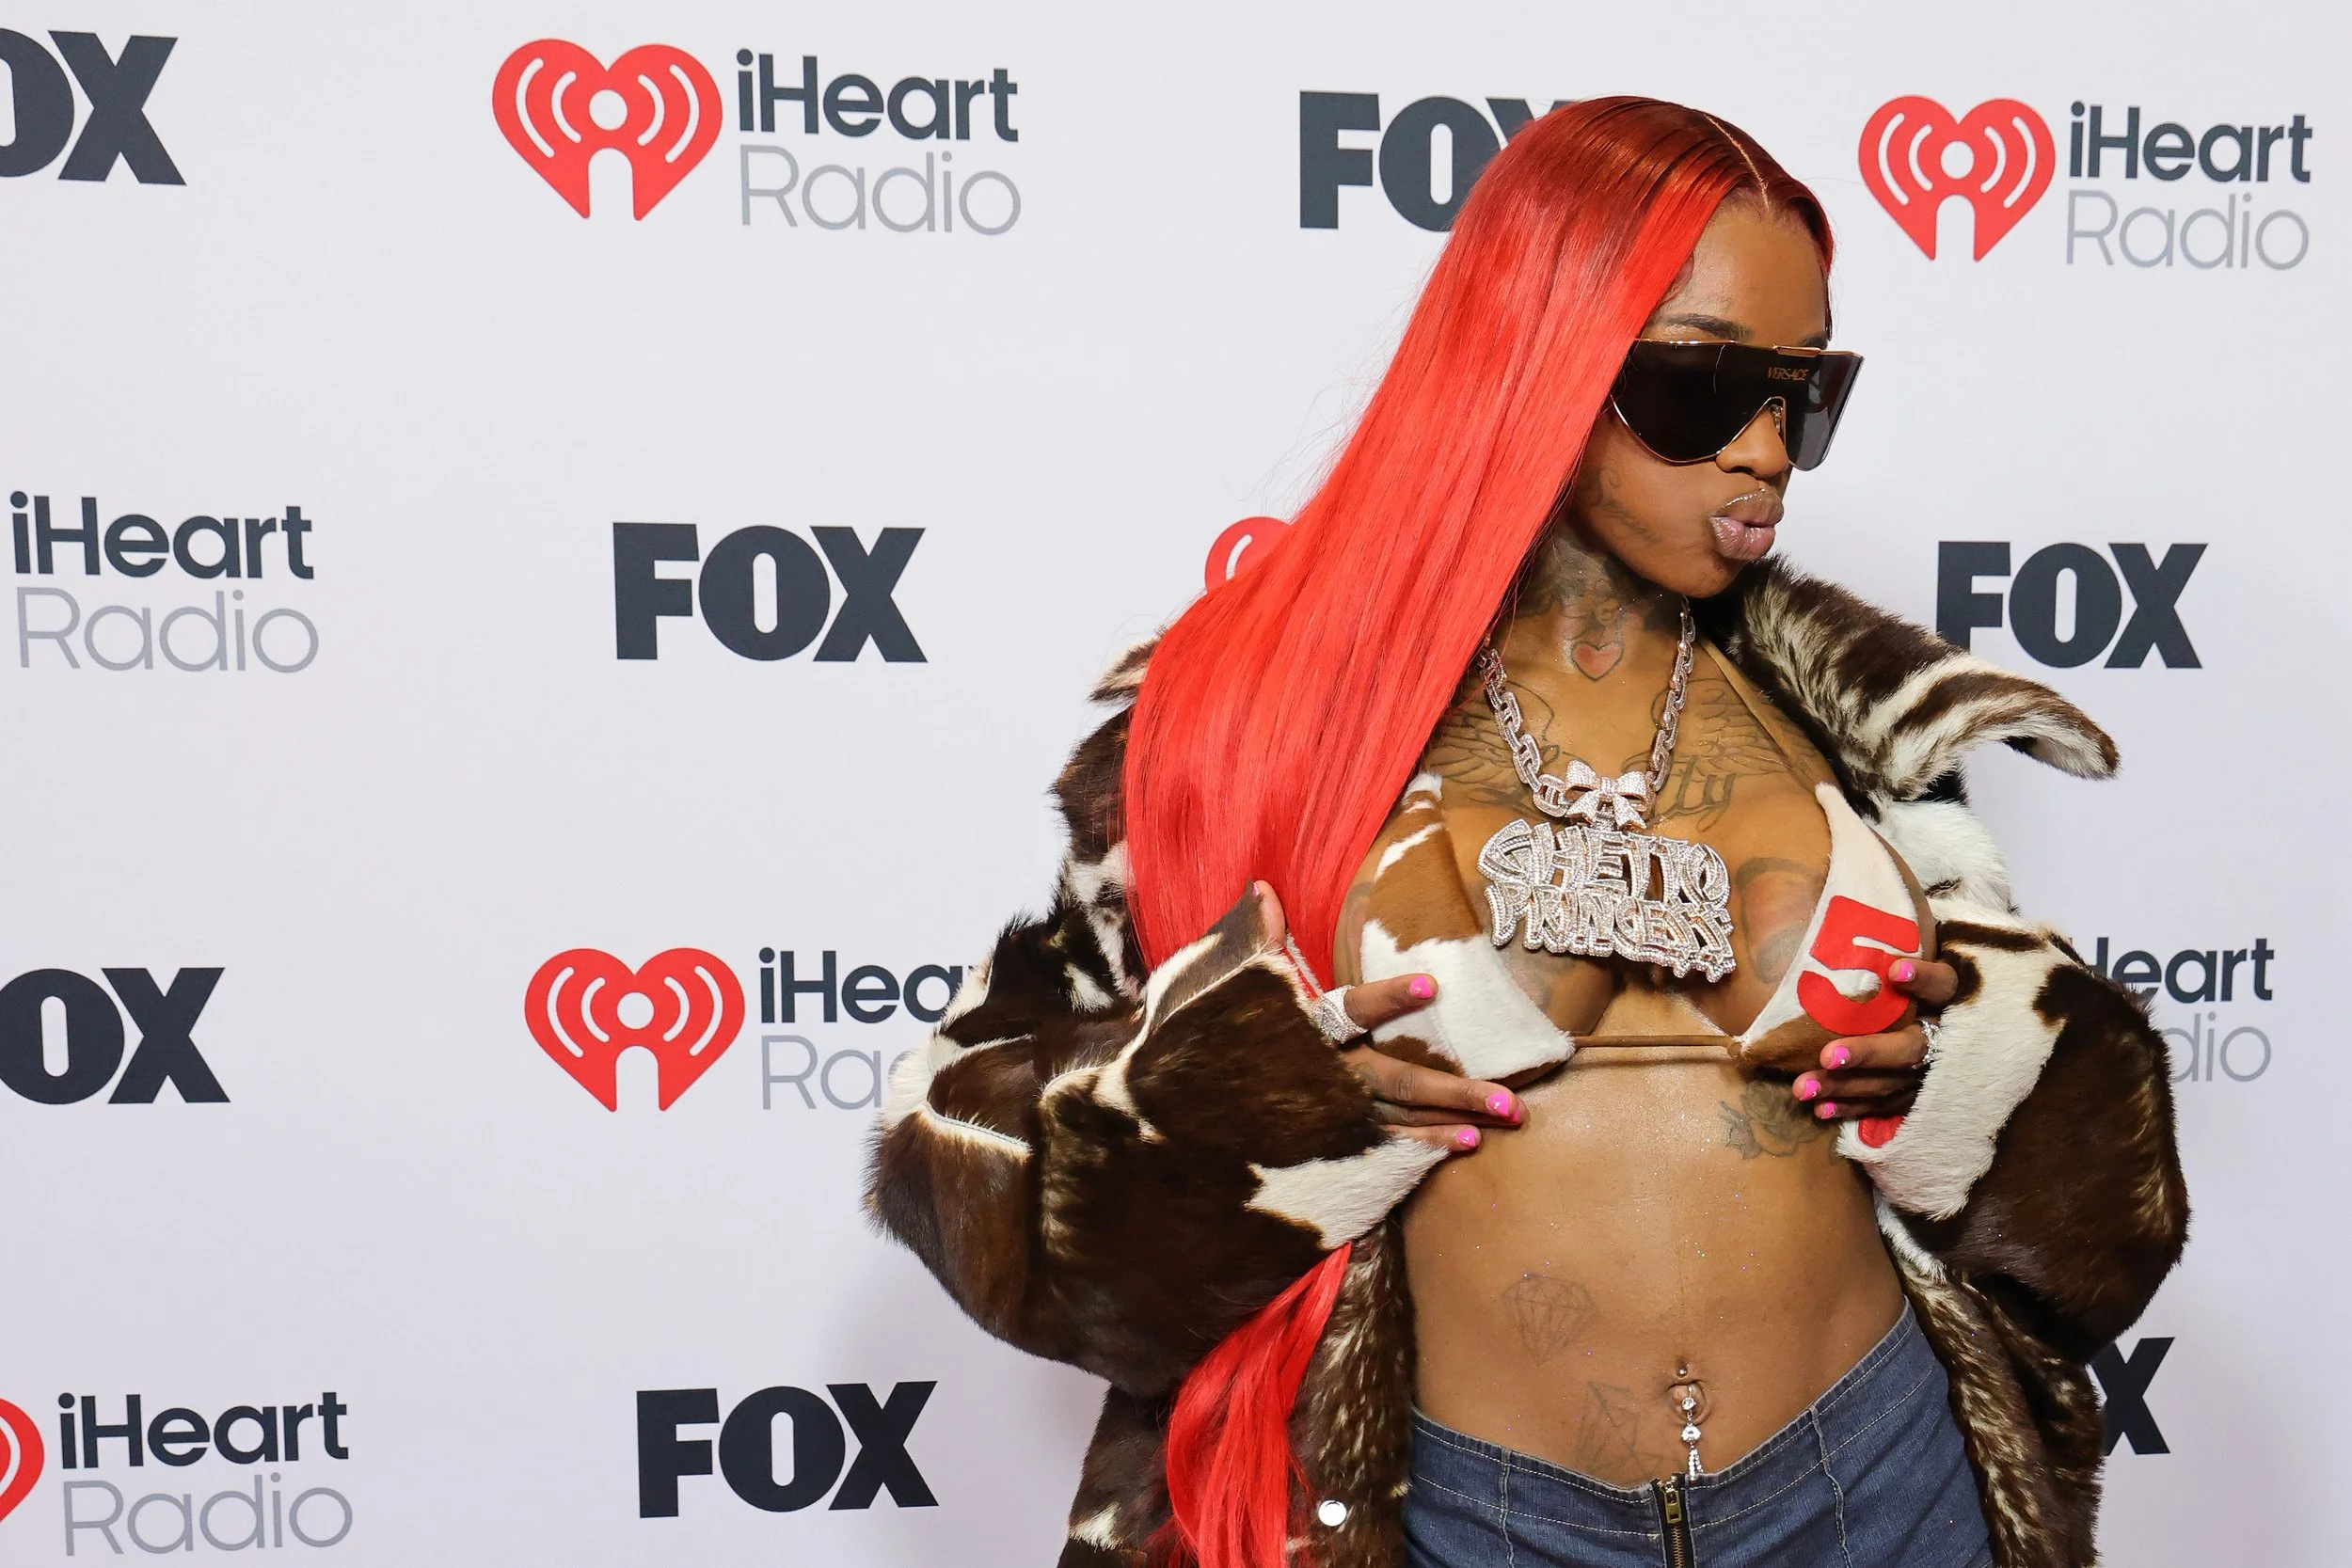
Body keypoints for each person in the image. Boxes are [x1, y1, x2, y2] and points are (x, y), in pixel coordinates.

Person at [868, 98, 2185, 1568]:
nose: (1766, 450)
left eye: (1806, 395)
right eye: (1704, 386)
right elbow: (974, 1162)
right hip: (1478, 1521)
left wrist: (1969, 1075)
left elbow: (2103, 1232)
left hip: (1882, 1481)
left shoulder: (1867, 723)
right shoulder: (1247, 715)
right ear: (1541, 349)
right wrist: (1266, 1105)